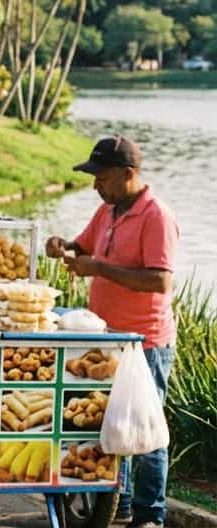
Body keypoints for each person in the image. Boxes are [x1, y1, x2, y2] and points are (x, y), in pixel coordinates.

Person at [45, 135, 177, 528]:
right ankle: (115, 502)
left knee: (145, 430)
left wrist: (98, 268)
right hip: (105, 338)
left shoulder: (157, 217)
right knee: (105, 422)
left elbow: (159, 281)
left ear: (128, 174)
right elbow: (82, 246)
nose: (94, 185)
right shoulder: (109, 210)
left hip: (144, 342)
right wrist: (61, 245)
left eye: (101, 177)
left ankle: (150, 515)